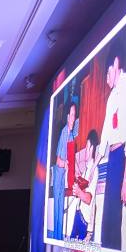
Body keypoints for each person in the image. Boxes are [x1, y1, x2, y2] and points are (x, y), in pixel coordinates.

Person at [93, 42, 126, 252]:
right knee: (107, 218)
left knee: (114, 216)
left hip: (120, 158)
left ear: (115, 65)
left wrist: (125, 180)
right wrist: (92, 167)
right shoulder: (111, 97)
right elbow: (105, 136)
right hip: (111, 160)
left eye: (107, 72)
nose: (106, 78)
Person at [69, 130, 101, 242]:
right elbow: (81, 192)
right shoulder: (86, 171)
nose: (85, 151)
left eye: (87, 147)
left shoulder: (94, 171)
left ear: (92, 148)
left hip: (84, 220)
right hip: (78, 214)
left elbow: (88, 199)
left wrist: (79, 192)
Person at [53, 103, 79, 240]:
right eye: (73, 115)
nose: (74, 118)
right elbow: (58, 161)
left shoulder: (71, 134)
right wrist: (66, 163)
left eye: (75, 115)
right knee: (58, 207)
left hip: (64, 175)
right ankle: (57, 238)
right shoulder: (64, 132)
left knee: (61, 205)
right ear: (68, 116)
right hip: (58, 174)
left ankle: (59, 238)